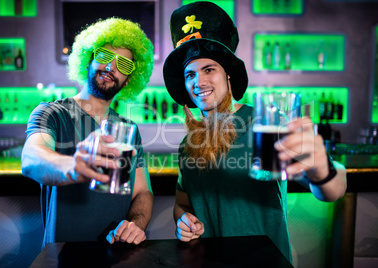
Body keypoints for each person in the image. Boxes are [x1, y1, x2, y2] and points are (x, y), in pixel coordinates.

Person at [163, 2, 347, 263]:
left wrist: (322, 169)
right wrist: (183, 218)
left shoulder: (265, 125)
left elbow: (333, 189)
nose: (199, 82)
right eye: (189, 74)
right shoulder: (188, 144)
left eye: (209, 69)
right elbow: (183, 202)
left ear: (228, 75)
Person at [21, 18, 154, 247]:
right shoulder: (52, 113)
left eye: (123, 65)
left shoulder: (129, 130)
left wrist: (135, 224)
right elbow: (31, 158)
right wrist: (74, 167)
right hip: (63, 254)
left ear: (128, 80)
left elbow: (142, 192)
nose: (111, 67)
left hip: (117, 252)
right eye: (104, 56)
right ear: (88, 59)